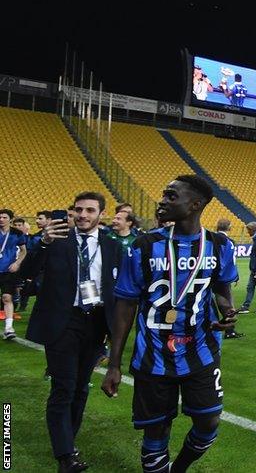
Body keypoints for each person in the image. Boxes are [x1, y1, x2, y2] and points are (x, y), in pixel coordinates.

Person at [102, 175, 238, 473]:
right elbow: (125, 306)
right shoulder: (144, 246)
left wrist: (227, 313)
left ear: (195, 205)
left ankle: (179, 468)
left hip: (201, 350)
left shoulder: (219, 246)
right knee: (156, 430)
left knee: (209, 421)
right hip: (153, 354)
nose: (162, 200)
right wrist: (114, 364)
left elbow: (221, 290)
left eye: (171, 196)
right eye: (164, 195)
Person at [23, 192, 123, 472]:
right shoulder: (55, 242)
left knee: (81, 388)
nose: (83, 215)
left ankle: (68, 441)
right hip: (63, 323)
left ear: (101, 214)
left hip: (95, 324)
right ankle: (66, 456)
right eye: (78, 210)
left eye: (90, 210)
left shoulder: (112, 246)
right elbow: (26, 272)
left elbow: (116, 289)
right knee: (64, 387)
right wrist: (42, 243)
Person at [0, 209, 27, 338]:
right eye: (0, 217)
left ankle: (9, 328)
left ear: (10, 219)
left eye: (4, 217)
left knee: (7, 297)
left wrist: (17, 263)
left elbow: (23, 251)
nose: (1, 219)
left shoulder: (17, 233)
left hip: (8, 270)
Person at [215, 219, 244, 339]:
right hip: (222, 278)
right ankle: (229, 331)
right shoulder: (228, 242)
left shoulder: (210, 239)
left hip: (210, 277)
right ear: (229, 228)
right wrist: (234, 276)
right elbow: (230, 262)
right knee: (227, 304)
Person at [239, 221, 256, 314]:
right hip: (255, 269)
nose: (247, 232)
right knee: (250, 287)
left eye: (248, 230)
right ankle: (246, 306)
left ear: (252, 230)